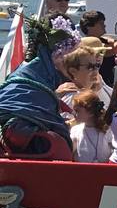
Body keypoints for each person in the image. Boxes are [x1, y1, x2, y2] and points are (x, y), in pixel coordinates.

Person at [0, 17, 79, 159]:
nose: (74, 62)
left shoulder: (36, 75)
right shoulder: (32, 76)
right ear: (57, 56)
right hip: (26, 142)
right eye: (72, 56)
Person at [69, 90, 113, 163]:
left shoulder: (108, 130)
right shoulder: (76, 130)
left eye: (77, 111)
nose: (74, 114)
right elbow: (70, 154)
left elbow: (114, 152)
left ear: (90, 112)